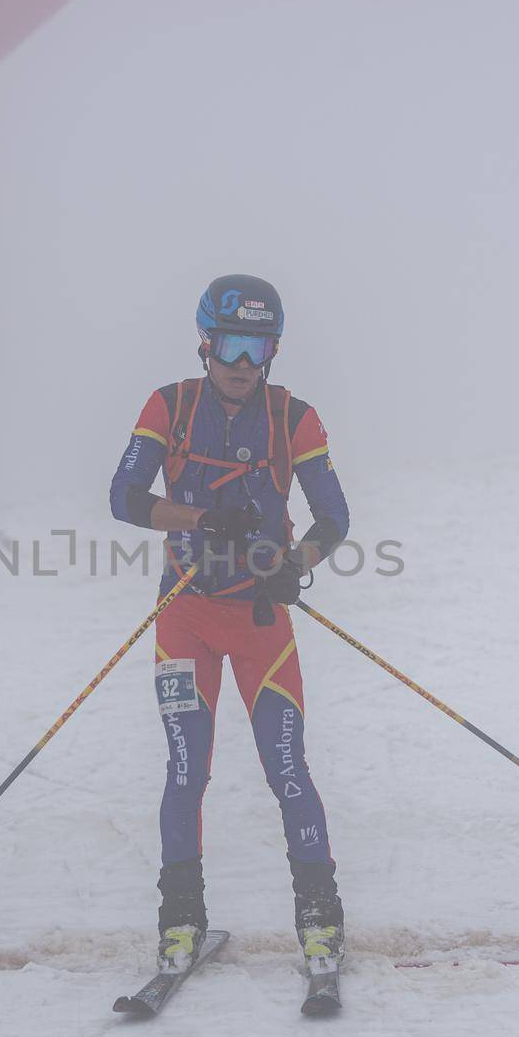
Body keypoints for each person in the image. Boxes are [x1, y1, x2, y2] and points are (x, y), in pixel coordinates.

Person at [109, 275, 351, 975]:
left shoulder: (292, 417)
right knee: (187, 770)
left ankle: (320, 919)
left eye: (259, 347)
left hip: (259, 621)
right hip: (183, 617)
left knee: (287, 771)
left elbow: (334, 516)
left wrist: (294, 565)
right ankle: (181, 920)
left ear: (273, 350)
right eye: (231, 346)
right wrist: (201, 520)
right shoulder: (172, 405)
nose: (242, 365)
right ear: (206, 343)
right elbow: (125, 496)